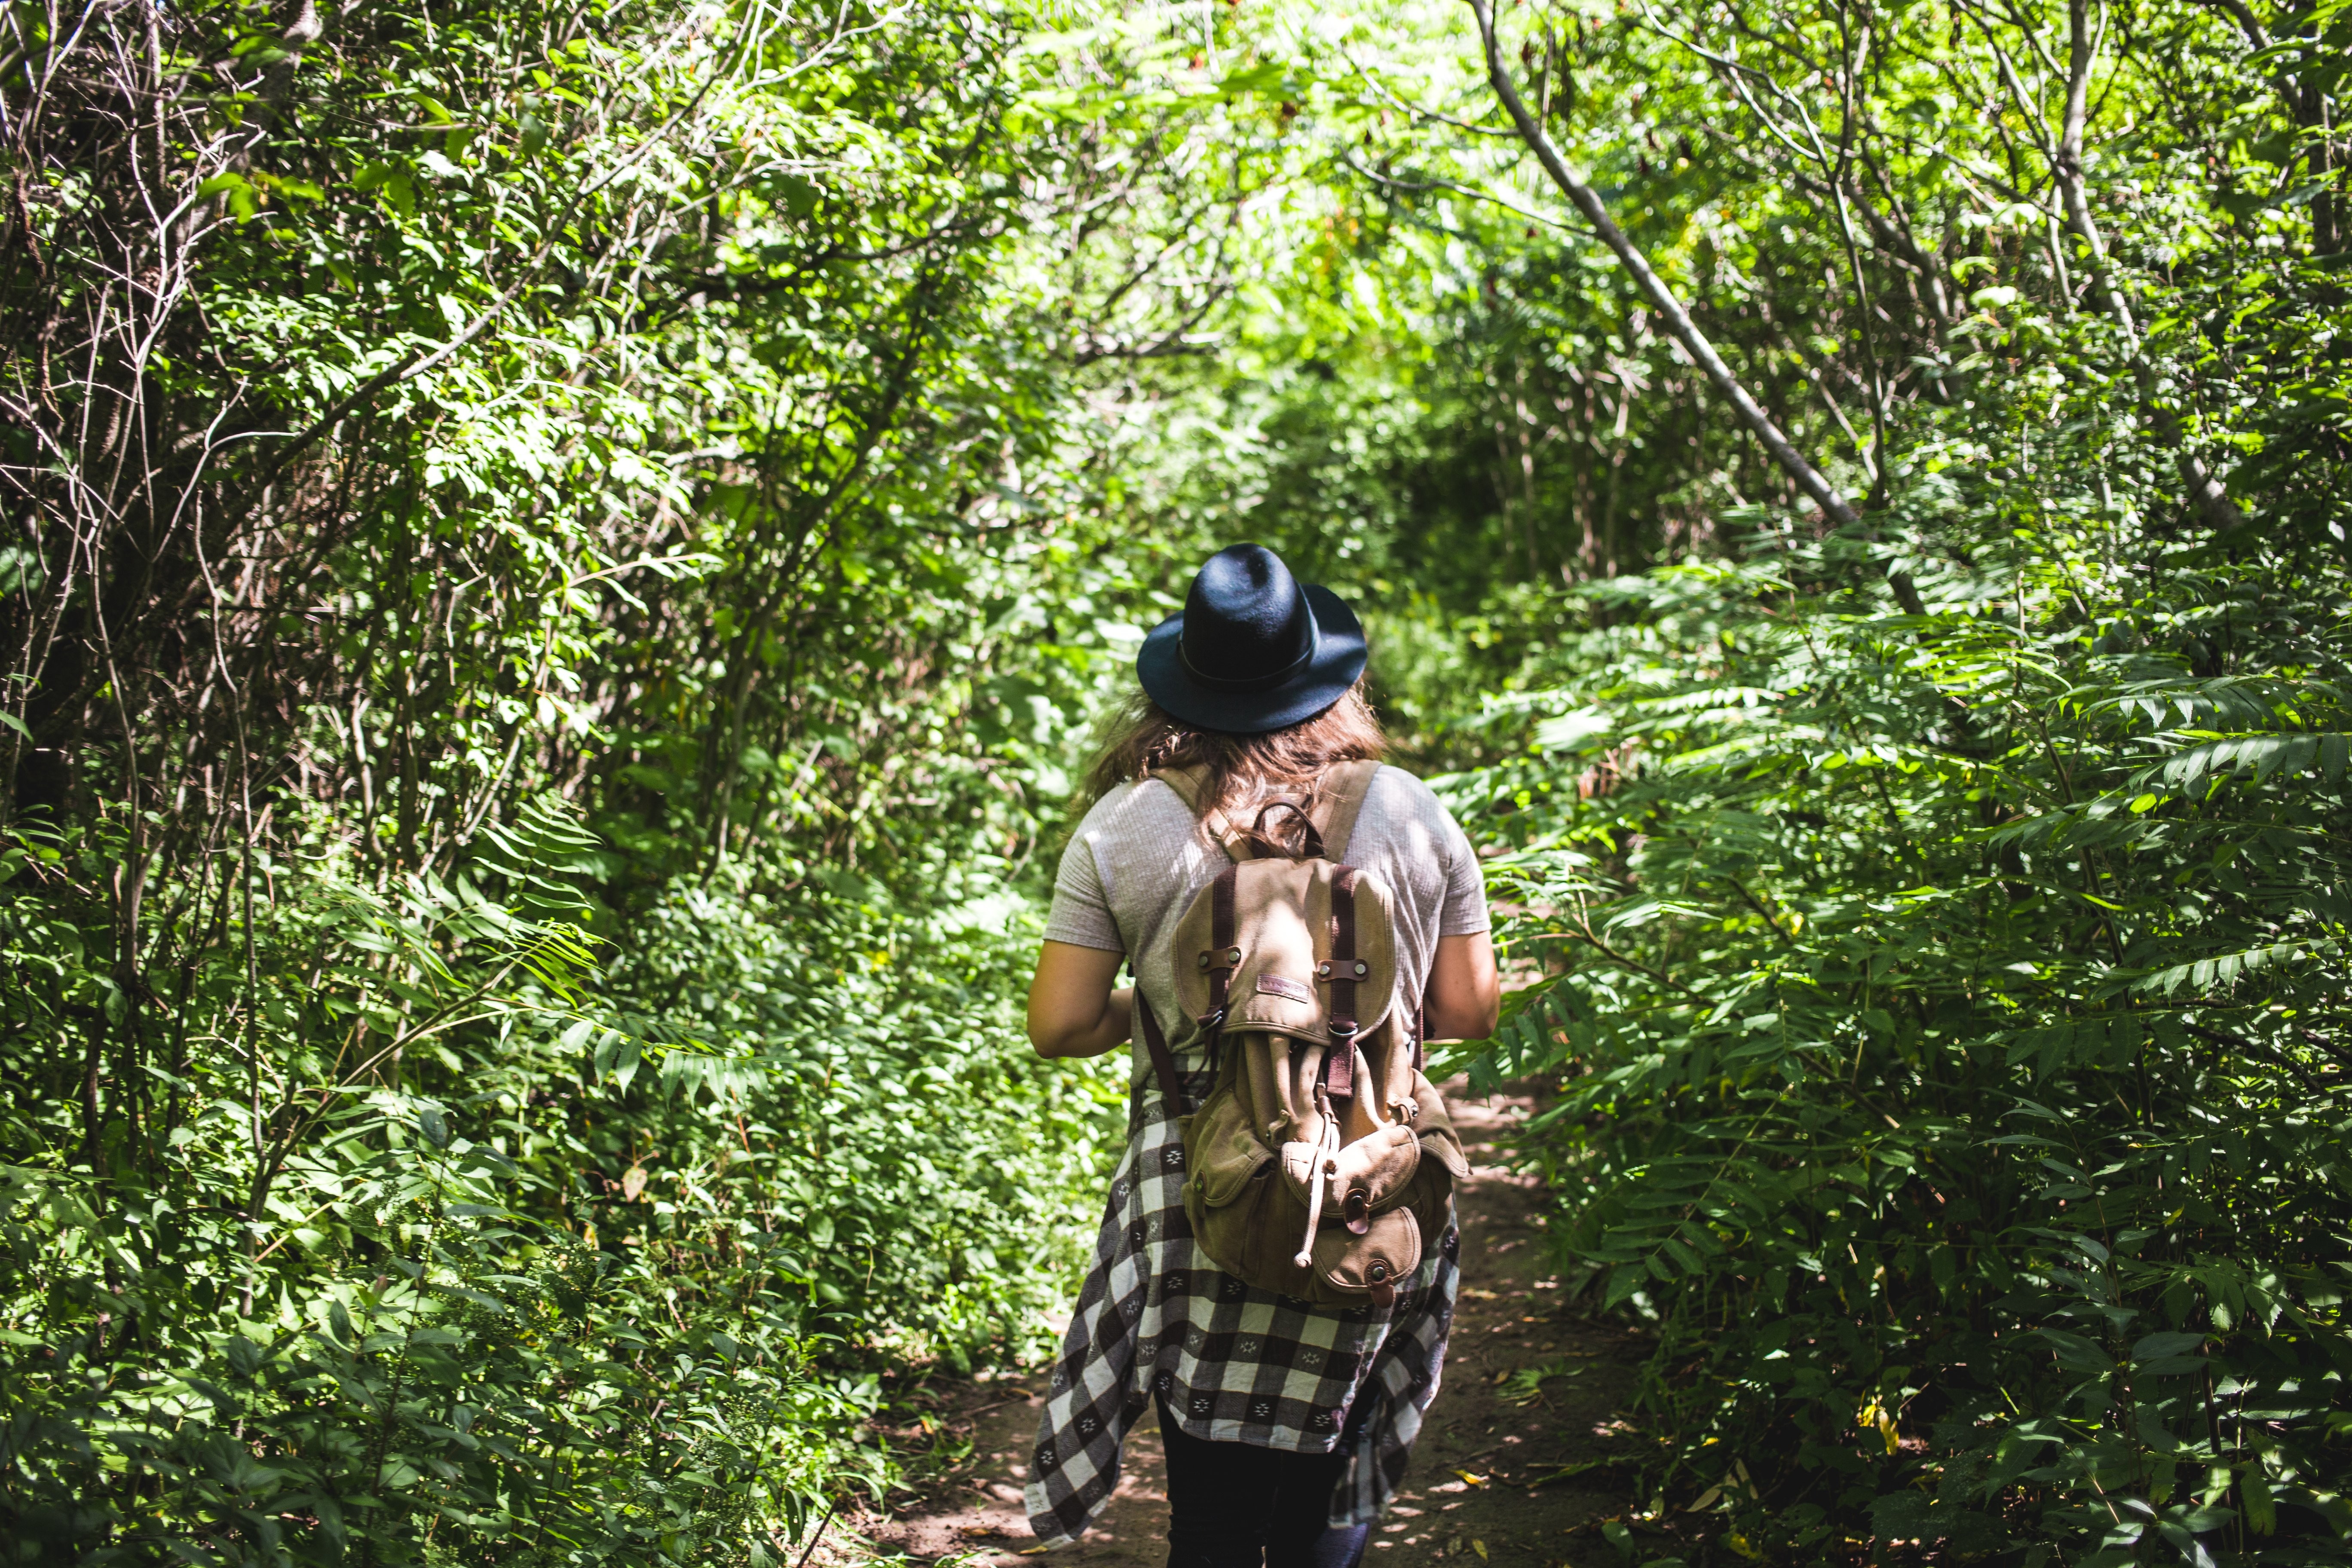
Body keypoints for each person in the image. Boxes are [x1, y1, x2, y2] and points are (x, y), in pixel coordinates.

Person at [1022, 543, 1501, 1568]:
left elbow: (1059, 1025)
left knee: (1217, 1511)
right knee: (1322, 1493)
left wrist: (1169, 998)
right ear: (1323, 676)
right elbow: (1468, 1009)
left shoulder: (1124, 826)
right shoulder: (1412, 810)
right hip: (1374, 1172)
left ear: (1185, 683)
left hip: (1205, 1185)